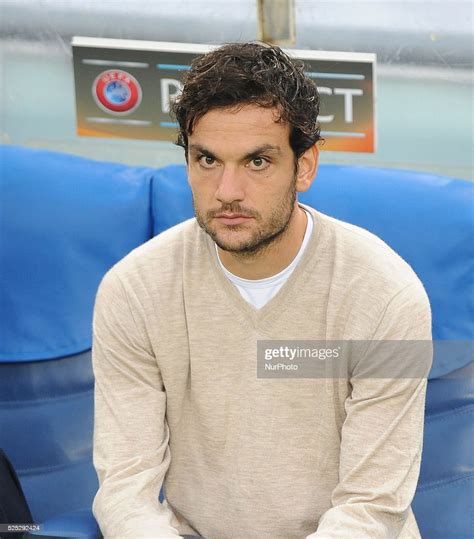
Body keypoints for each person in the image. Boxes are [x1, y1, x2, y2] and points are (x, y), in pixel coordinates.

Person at [91, 42, 432, 538]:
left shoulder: (387, 297)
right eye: (207, 160)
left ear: (305, 166)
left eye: (257, 162)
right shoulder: (134, 291)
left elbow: (371, 508)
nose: (227, 190)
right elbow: (126, 490)